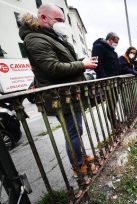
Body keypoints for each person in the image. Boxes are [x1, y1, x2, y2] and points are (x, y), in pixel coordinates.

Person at [19, 4, 98, 184]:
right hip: (61, 97)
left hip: (68, 94)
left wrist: (81, 62)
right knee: (73, 134)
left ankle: (81, 158)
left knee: (76, 131)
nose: (62, 23)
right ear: (43, 18)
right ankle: (79, 168)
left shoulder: (51, 37)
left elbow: (62, 62)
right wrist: (82, 65)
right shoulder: (35, 39)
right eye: (59, 20)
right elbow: (52, 68)